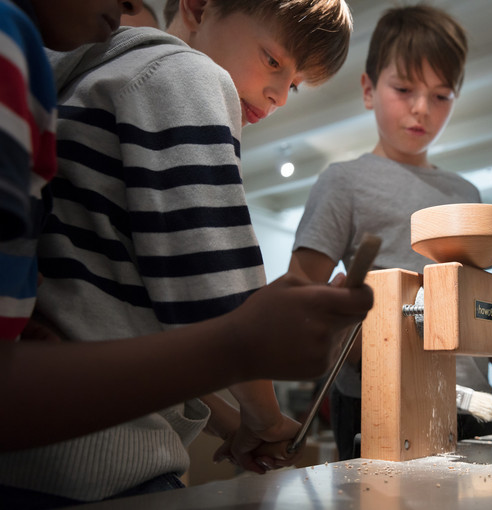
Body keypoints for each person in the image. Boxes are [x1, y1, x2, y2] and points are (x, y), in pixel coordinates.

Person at [0, 0, 363, 507]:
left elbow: (116, 313)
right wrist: (265, 413)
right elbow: (218, 285)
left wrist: (233, 419)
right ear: (199, 7)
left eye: (294, 84)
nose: (279, 95)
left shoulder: (90, 80)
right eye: (274, 61)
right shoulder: (185, 72)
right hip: (100, 463)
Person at [289, 4, 492, 460]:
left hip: (474, 403)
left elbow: (480, 304)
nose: (421, 109)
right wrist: (340, 332)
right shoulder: (344, 182)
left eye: (441, 95)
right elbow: (297, 300)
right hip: (380, 399)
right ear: (368, 89)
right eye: (404, 89)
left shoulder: (467, 192)